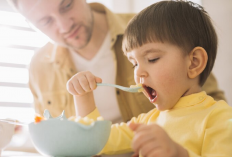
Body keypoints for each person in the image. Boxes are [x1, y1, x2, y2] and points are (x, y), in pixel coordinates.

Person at [7, 0, 225, 123]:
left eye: (67, 6)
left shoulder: (152, 32)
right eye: (46, 21)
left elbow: (211, 105)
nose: (65, 26)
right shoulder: (38, 69)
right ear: (31, 25)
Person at [66, 1, 232, 157]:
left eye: (152, 59)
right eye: (134, 64)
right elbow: (95, 142)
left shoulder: (219, 118)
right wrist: (83, 95)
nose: (138, 73)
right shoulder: (147, 121)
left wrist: (178, 153)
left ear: (194, 62)